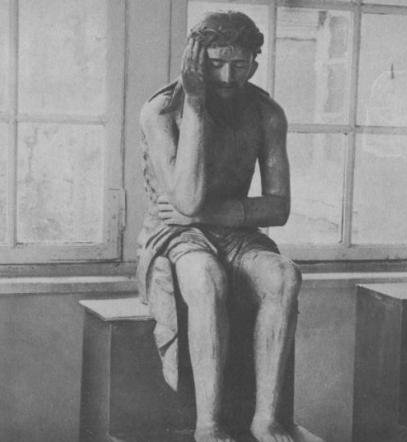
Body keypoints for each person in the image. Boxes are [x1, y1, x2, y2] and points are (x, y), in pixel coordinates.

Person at [136, 11, 300, 442]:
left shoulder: (266, 113)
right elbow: (185, 200)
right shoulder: (161, 110)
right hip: (174, 233)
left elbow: (278, 207)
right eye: (215, 64)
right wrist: (194, 104)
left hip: (232, 230)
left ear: (255, 64)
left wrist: (207, 215)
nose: (227, 76)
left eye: (239, 64)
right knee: (206, 278)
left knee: (284, 276)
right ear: (194, 61)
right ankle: (207, 423)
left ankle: (265, 417)